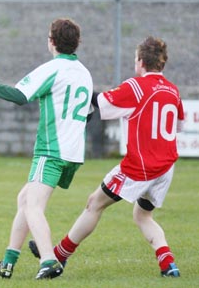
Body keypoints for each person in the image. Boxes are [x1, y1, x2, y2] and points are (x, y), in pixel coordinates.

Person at [29, 36, 183, 278]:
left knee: (94, 204)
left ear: (141, 61)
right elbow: (178, 127)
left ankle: (59, 255)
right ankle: (168, 263)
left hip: (139, 167)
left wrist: (74, 85)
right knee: (142, 215)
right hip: (165, 168)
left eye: (135, 59)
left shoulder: (136, 86)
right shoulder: (173, 91)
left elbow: (100, 101)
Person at [0, 18, 93, 279]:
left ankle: (48, 260)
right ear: (76, 43)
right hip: (73, 152)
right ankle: (8, 262)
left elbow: (20, 96)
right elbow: (88, 113)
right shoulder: (84, 73)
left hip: (51, 150)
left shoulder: (53, 68)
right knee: (25, 199)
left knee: (33, 206)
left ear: (52, 42)